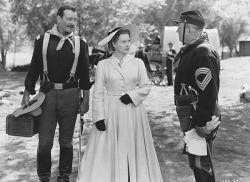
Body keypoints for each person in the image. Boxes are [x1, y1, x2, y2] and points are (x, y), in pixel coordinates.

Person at [77, 24, 163, 182]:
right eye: (123, 42)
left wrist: (132, 95)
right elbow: (98, 93)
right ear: (113, 44)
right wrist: (99, 117)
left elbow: (146, 86)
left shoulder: (137, 63)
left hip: (133, 111)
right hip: (111, 111)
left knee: (134, 146)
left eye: (128, 41)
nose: (127, 44)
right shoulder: (104, 65)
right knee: (109, 147)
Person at [21, 5, 90, 182]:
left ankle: (64, 176)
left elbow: (84, 74)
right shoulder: (42, 40)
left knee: (66, 142)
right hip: (47, 96)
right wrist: (27, 92)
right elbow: (34, 67)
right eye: (69, 19)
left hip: (71, 96)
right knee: (44, 143)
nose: (72, 23)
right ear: (59, 19)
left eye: (75, 20)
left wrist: (86, 100)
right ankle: (44, 176)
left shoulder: (80, 43)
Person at [173, 10, 221, 182]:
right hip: (193, 116)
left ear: (190, 29)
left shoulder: (202, 52)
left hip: (199, 117)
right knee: (197, 164)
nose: (177, 30)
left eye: (179, 26)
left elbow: (208, 93)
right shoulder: (193, 50)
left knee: (201, 167)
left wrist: (201, 124)